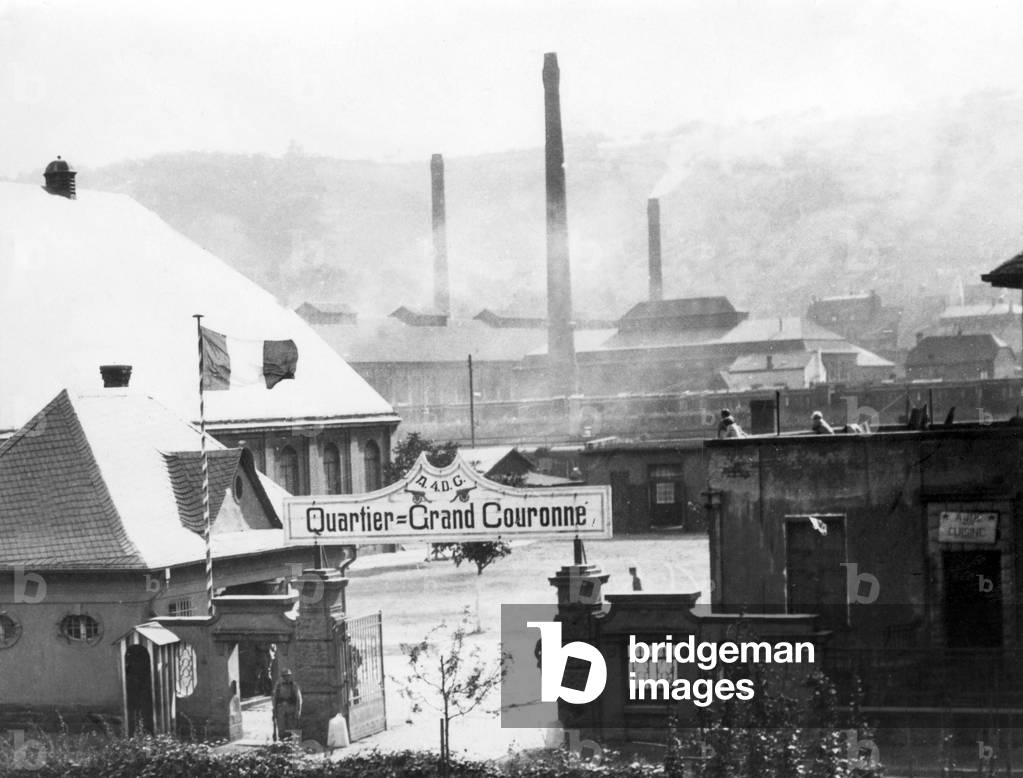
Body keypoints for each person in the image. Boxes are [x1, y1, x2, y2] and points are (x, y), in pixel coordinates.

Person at [273, 668, 303, 739]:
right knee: (281, 729)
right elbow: (275, 698)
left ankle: (293, 746)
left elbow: (299, 699)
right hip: (281, 709)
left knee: (293, 729)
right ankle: (283, 745)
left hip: (291, 709)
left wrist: (298, 711)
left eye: (288, 676)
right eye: (284, 676)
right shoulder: (278, 685)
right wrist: (275, 710)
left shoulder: (294, 685)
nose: (286, 677)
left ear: (290, 676)